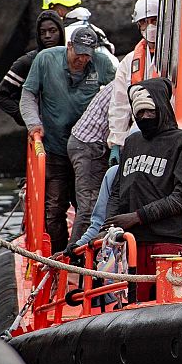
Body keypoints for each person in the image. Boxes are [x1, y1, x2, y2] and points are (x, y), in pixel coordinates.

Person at [20, 23, 117, 256]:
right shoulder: (46, 60)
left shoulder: (101, 64)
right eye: (79, 53)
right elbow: (28, 94)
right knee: (54, 207)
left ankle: (82, 257)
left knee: (87, 205)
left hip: (89, 146)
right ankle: (59, 257)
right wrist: (34, 124)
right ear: (69, 46)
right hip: (54, 146)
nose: (82, 59)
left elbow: (119, 92)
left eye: (87, 55)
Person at [104, 78, 182, 301]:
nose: (145, 118)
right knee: (133, 302)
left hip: (167, 242)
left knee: (165, 305)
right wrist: (109, 226)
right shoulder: (132, 142)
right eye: (140, 115)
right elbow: (118, 191)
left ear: (162, 108)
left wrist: (137, 217)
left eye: (149, 112)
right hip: (133, 243)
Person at [107, 0, 164, 163]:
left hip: (169, 128)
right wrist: (116, 143)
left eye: (154, 20)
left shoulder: (175, 54)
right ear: (139, 25)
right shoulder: (129, 62)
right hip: (140, 128)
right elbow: (119, 103)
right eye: (145, 22)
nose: (150, 26)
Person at [65, 80, 116, 246]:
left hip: (88, 143)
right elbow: (120, 116)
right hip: (88, 145)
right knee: (89, 206)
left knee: (91, 205)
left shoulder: (121, 81)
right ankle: (74, 255)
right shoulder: (125, 86)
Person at [0, 10, 64, 125]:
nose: (47, 36)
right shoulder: (27, 62)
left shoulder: (71, 59)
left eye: (52, 31)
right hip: (40, 133)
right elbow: (0, 96)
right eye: (42, 32)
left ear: (61, 32)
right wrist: (25, 117)